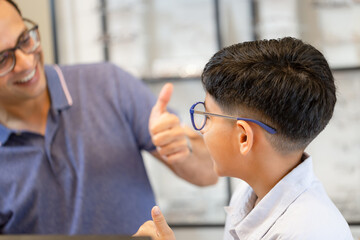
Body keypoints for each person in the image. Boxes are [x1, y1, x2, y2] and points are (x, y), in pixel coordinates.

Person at [0, 0, 217, 234]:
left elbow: (210, 172)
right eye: (2, 59)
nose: (25, 62)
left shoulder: (108, 84)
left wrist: (181, 147)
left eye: (25, 39)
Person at [134, 37, 354, 239]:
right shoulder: (248, 194)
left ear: (243, 138)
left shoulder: (311, 232)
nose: (201, 130)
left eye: (207, 117)